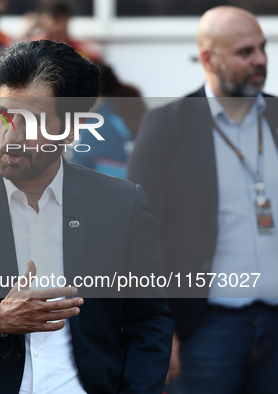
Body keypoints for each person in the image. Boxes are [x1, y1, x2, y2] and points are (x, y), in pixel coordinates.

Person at [0, 40, 173, 394]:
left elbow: (150, 321)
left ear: (72, 128)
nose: (10, 137)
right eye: (3, 116)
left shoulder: (123, 205)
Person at [127, 6, 278, 394]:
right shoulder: (168, 125)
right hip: (204, 328)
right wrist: (158, 330)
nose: (261, 60)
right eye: (246, 52)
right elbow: (140, 235)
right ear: (209, 58)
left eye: (262, 48)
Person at [22, 0, 102, 63]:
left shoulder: (83, 52)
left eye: (60, 33)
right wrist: (24, 35)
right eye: (53, 34)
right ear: (41, 23)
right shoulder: (32, 49)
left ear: (68, 19)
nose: (58, 40)